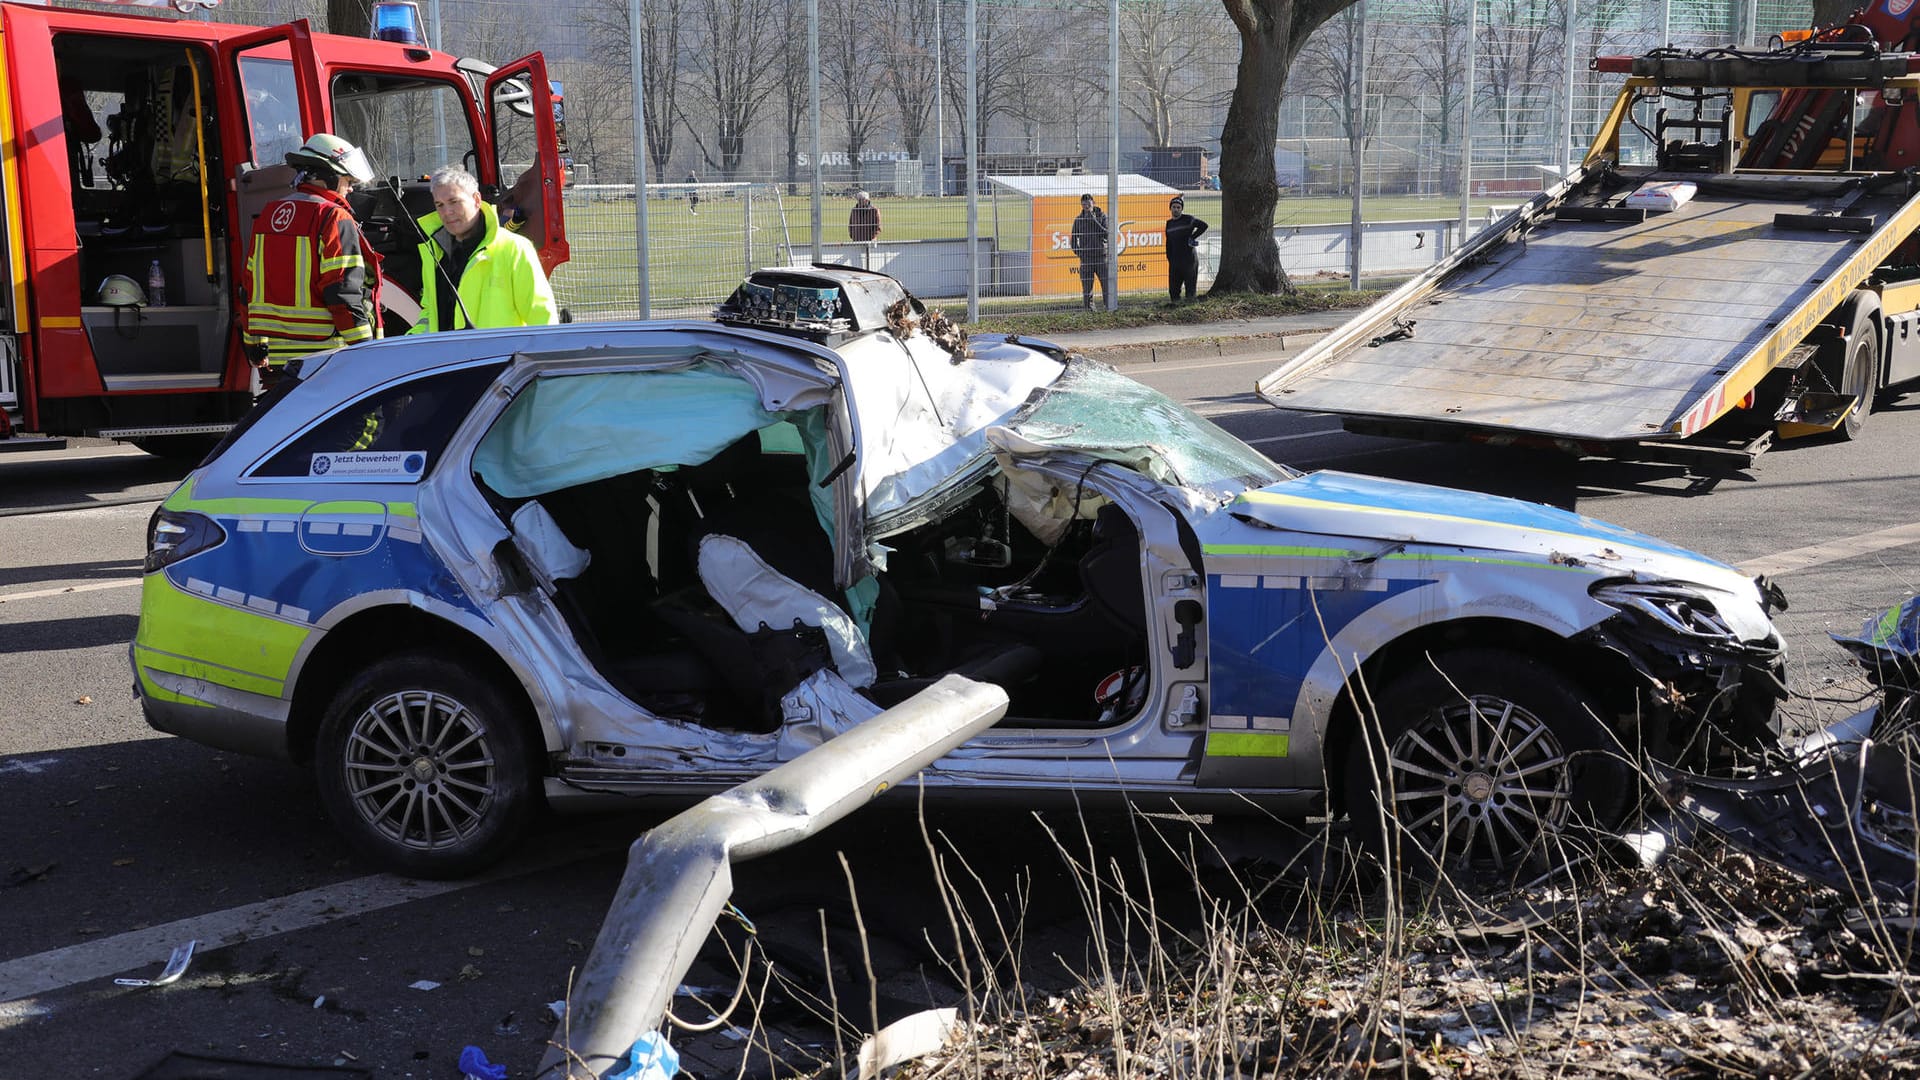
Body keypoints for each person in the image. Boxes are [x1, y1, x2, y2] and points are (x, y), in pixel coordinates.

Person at [240, 133, 381, 378]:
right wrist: (364, 348)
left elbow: (250, 287)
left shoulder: (269, 214)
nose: (349, 188)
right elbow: (341, 290)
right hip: (325, 357)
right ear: (326, 177)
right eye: (347, 180)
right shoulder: (333, 217)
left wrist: (254, 343)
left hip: (277, 359)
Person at [410, 165, 557, 333]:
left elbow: (542, 319)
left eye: (454, 202)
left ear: (477, 200)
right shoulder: (434, 254)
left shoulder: (515, 249)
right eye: (440, 205)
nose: (447, 212)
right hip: (449, 358)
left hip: (500, 359)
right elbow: (430, 315)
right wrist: (408, 346)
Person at [1163, 195, 1209, 303]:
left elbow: (1204, 226)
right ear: (1170, 208)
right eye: (1174, 207)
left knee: (1190, 288)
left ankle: (1190, 306)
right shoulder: (1169, 224)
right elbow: (1168, 242)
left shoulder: (1189, 219)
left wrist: (1192, 237)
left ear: (1182, 209)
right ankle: (1175, 306)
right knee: (1173, 289)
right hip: (1175, 261)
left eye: (1178, 207)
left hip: (1189, 260)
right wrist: (1169, 258)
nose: (1176, 209)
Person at [1070, 193, 1110, 311]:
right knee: (1087, 287)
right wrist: (1080, 253)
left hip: (1101, 257)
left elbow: (1106, 234)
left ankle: (1108, 308)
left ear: (1093, 203)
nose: (1086, 206)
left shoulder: (1102, 216)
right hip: (1086, 258)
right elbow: (1073, 240)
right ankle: (1089, 310)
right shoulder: (1078, 220)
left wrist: (1094, 221)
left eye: (1088, 203)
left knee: (1106, 284)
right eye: (1083, 204)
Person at [849, 190, 881, 267]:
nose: (858, 201)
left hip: (869, 241)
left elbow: (878, 226)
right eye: (858, 199)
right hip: (856, 240)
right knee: (856, 264)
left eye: (861, 199)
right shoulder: (854, 210)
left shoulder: (874, 210)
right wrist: (852, 235)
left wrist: (872, 238)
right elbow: (850, 224)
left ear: (867, 200)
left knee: (869, 263)